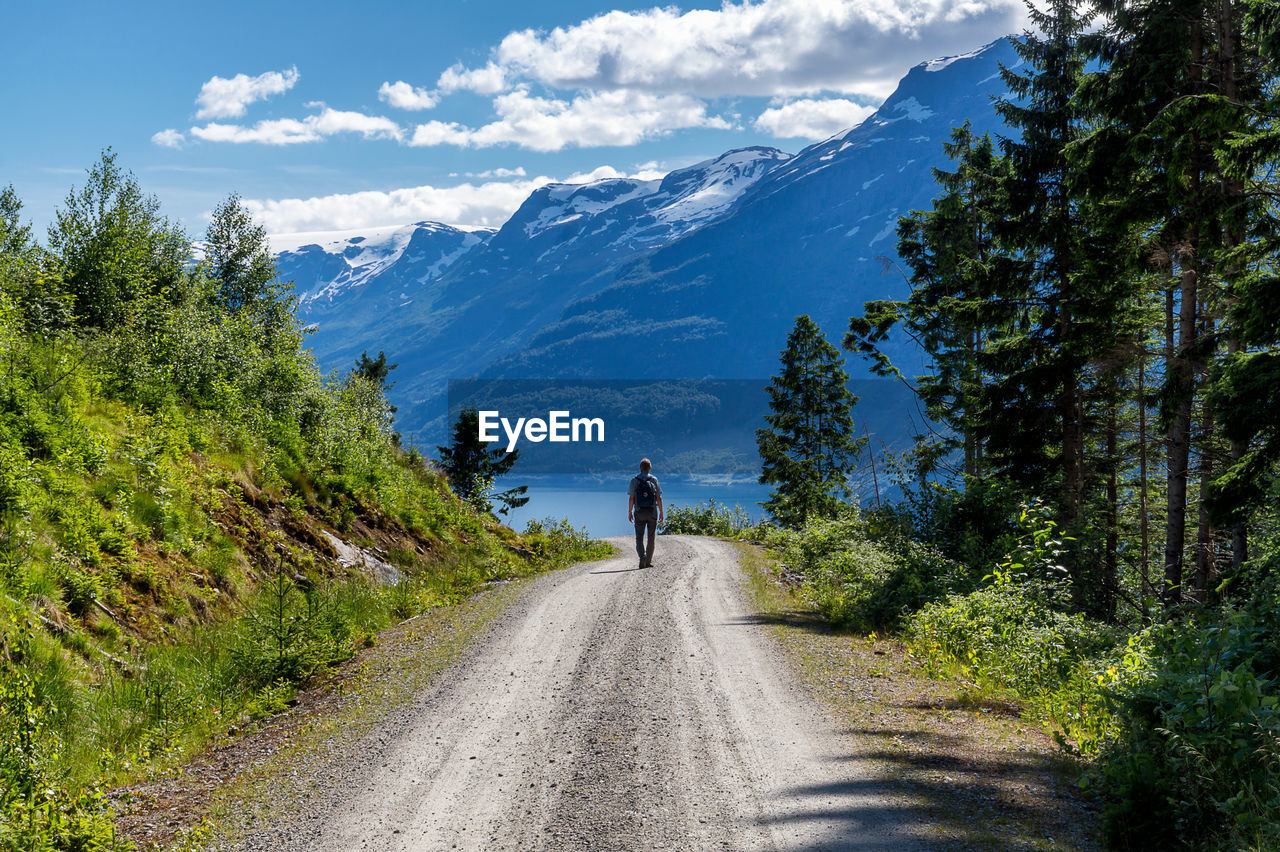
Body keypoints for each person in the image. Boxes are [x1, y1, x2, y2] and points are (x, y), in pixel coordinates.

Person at [627, 458, 663, 569]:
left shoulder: (634, 480)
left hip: (639, 512)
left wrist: (630, 512)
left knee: (639, 537)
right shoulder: (654, 480)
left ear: (640, 468)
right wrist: (661, 511)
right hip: (652, 512)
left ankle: (642, 556)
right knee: (651, 537)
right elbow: (658, 498)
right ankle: (648, 561)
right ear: (650, 468)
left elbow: (631, 498)